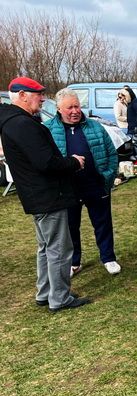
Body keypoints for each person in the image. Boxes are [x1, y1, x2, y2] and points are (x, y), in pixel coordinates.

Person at [0, 77, 90, 312]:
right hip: (48, 196)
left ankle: (45, 292)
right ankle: (60, 298)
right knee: (59, 248)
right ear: (21, 95)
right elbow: (45, 162)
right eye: (37, 93)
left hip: (36, 196)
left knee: (46, 246)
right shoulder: (22, 124)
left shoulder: (13, 122)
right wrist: (73, 162)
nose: (42, 98)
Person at [45, 88, 121, 276]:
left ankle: (108, 257)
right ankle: (74, 261)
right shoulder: (48, 129)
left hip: (95, 185)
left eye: (77, 106)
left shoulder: (95, 126)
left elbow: (112, 153)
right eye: (69, 107)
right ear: (59, 109)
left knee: (102, 223)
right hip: (68, 189)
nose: (75, 111)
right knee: (70, 226)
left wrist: (108, 175)